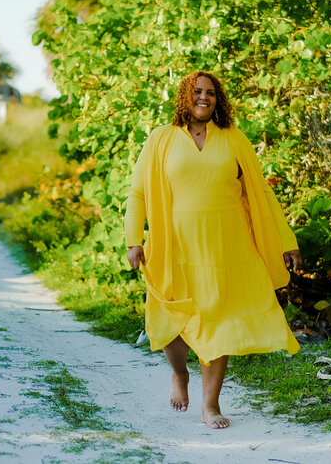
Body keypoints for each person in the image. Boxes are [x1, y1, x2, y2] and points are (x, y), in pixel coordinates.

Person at [124, 71, 302, 430]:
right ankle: (179, 374)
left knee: (218, 322)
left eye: (210, 93)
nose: (204, 97)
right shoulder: (161, 139)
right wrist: (133, 240)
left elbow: (261, 193)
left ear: (217, 99)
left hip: (226, 246)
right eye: (197, 92)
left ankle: (211, 405)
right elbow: (138, 193)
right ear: (183, 97)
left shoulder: (233, 138)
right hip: (174, 244)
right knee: (169, 320)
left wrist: (287, 241)